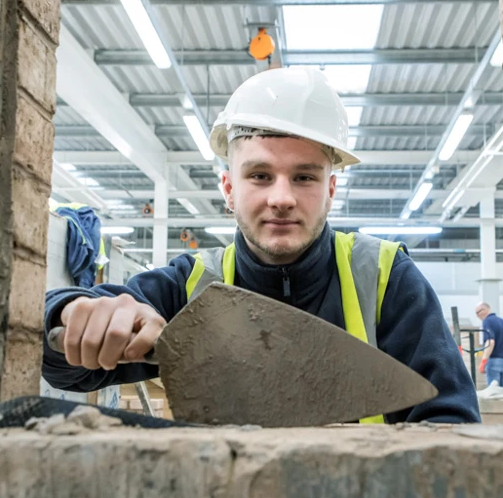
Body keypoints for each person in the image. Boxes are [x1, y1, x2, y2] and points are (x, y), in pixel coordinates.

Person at [42, 67, 480, 424]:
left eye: (304, 177)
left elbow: (451, 420)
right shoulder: (189, 285)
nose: (282, 197)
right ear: (229, 188)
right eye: (260, 176)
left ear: (331, 189)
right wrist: (70, 313)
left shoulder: (386, 277)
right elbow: (64, 365)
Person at [475, 302, 503, 386]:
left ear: (484, 310)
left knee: (492, 392)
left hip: (494, 361)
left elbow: (490, 342)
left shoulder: (487, 321)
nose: (477, 315)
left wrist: (483, 361)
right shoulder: (501, 321)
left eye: (477, 312)